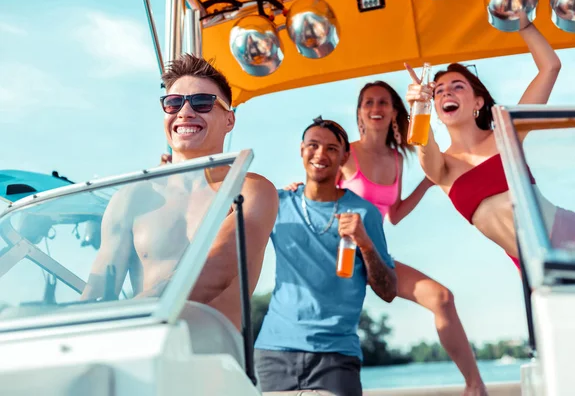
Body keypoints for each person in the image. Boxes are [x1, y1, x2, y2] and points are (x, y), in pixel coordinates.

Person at [285, 82, 487, 394]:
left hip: (372, 255)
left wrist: (427, 183)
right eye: (368, 103)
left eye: (383, 102)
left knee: (441, 298)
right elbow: (317, 189)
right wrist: (296, 188)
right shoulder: (344, 153)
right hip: (335, 253)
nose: (376, 108)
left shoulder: (396, 159)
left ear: (394, 112)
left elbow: (394, 213)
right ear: (359, 113)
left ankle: (474, 385)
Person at [81, 54, 278, 331]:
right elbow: (98, 290)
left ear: (229, 120)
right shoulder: (131, 197)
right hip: (143, 355)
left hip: (216, 363)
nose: (185, 112)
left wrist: (125, 314)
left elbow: (214, 271)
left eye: (202, 102)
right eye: (173, 103)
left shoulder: (251, 190)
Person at [404, 14, 575, 270]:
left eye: (458, 86)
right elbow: (422, 143)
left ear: (478, 102)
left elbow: (550, 66)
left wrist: (522, 21)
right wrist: (418, 107)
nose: (446, 92)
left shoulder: (507, 132)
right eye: (438, 91)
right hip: (538, 268)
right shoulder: (443, 167)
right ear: (436, 108)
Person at [254, 117, 397, 396]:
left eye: (332, 148)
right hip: (274, 352)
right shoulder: (277, 203)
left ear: (345, 156)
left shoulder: (364, 213)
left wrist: (365, 244)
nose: (320, 154)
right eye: (313, 145)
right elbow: (224, 211)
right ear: (301, 150)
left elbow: (389, 290)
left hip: (335, 355)